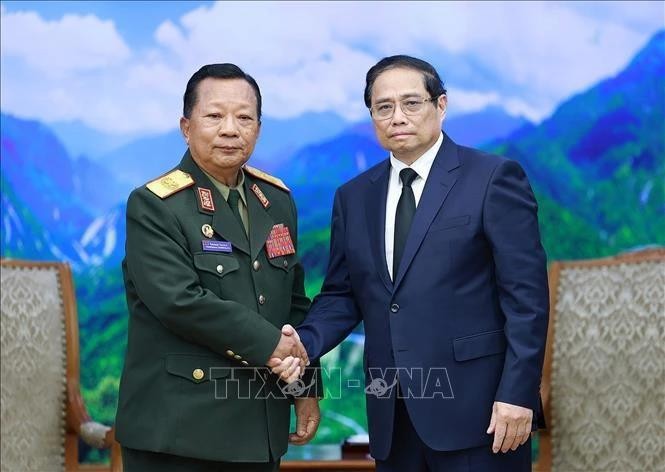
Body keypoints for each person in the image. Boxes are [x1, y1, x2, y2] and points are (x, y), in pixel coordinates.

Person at [271, 55, 549, 471]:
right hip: (393, 418)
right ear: (372, 116)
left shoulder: (492, 178)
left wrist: (517, 394)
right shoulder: (353, 197)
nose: (397, 117)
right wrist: (303, 344)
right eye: (383, 107)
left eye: (411, 103)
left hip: (484, 415)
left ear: (441, 105)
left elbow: (527, 299)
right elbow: (343, 295)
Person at [115, 63, 320, 472]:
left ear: (258, 128)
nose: (230, 129)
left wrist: (304, 386)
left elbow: (294, 304)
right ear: (186, 126)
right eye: (214, 116)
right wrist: (271, 346)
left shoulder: (277, 201)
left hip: (258, 430)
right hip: (179, 433)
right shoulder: (154, 204)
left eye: (244, 117)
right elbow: (179, 301)